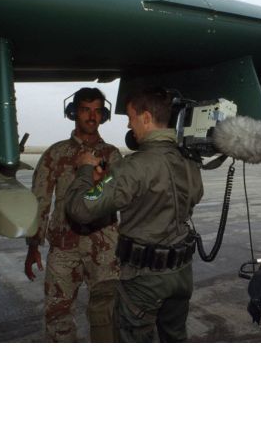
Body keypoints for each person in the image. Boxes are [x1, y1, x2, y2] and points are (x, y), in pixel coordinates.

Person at [65, 88, 204, 342]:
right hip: (182, 275)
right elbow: (194, 196)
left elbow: (80, 208)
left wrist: (85, 171)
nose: (129, 124)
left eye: (131, 117)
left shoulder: (132, 167)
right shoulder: (189, 161)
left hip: (145, 281)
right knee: (175, 338)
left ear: (147, 118)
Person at [24, 87, 122, 342]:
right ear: (73, 113)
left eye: (97, 111)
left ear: (103, 115)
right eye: (85, 110)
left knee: (107, 315)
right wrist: (33, 245)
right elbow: (40, 202)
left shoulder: (112, 155)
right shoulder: (55, 154)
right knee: (57, 316)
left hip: (104, 250)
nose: (91, 117)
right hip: (63, 249)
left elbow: (121, 198)